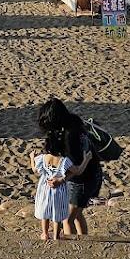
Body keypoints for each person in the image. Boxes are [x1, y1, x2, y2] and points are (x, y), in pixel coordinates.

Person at [38, 98, 100, 237]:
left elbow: (78, 167)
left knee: (67, 219)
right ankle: (84, 240)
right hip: (90, 174)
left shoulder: (70, 134)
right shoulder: (73, 121)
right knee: (76, 215)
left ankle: (71, 249)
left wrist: (62, 180)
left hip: (84, 179)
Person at [31, 131, 73, 241]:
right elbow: (74, 171)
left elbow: (35, 170)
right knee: (57, 213)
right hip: (59, 189)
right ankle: (56, 236)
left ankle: (44, 234)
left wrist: (31, 158)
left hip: (45, 187)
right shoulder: (64, 160)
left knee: (45, 211)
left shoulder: (43, 158)